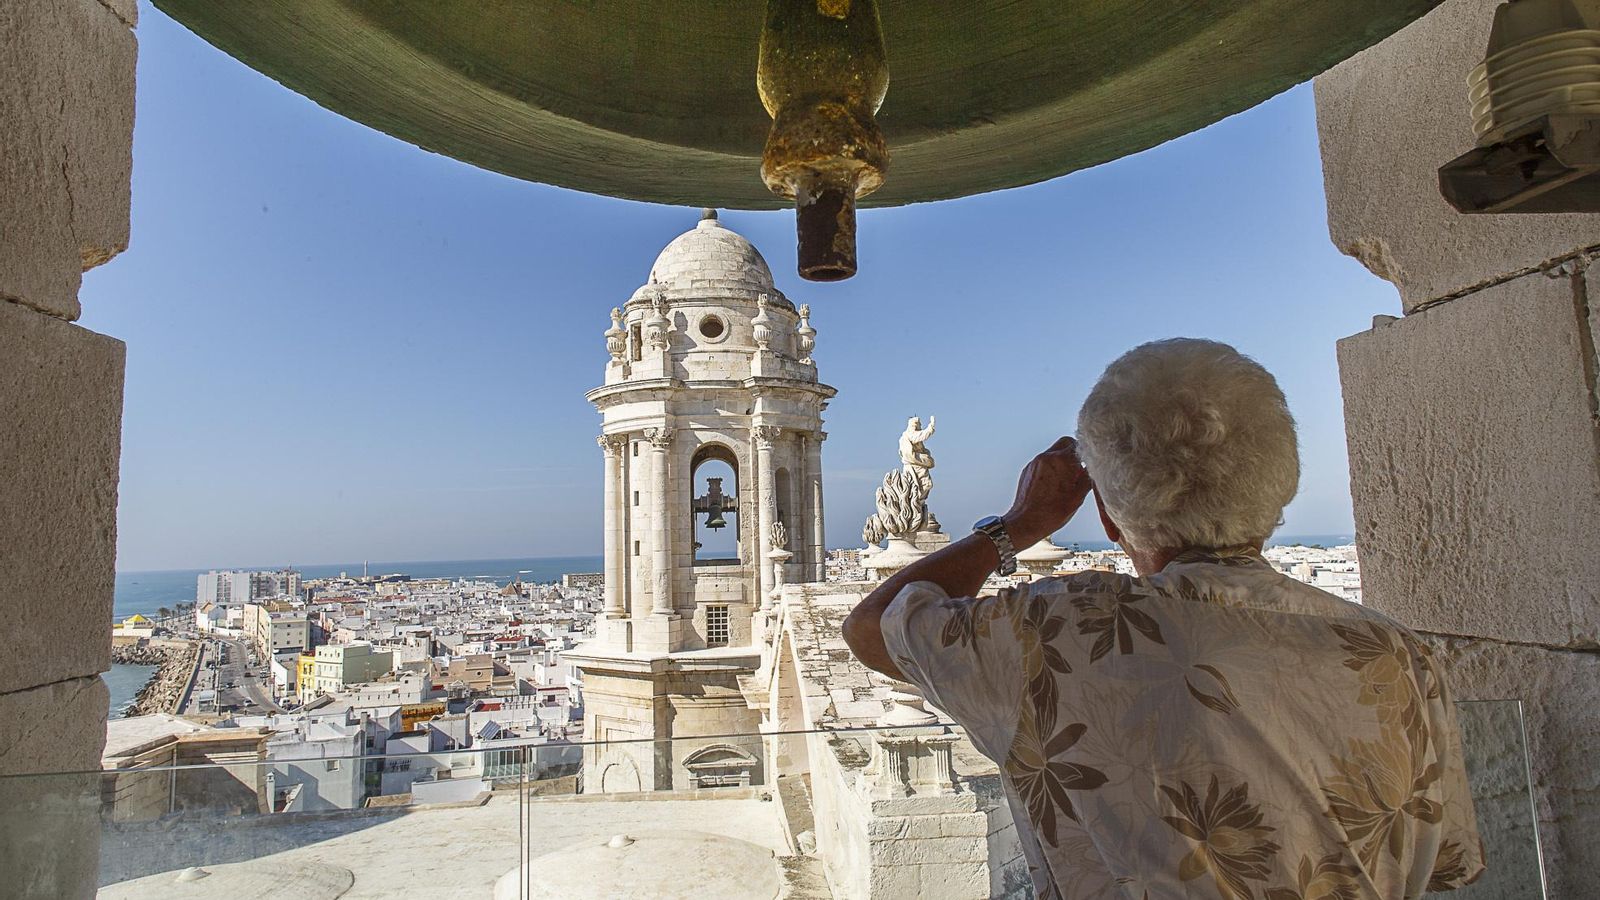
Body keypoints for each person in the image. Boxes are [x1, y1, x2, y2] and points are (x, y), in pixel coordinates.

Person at [842, 339, 1483, 899]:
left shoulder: (1057, 633)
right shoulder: (1396, 652)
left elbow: (874, 627)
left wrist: (1021, 524)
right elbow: (1446, 861)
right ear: (1282, 484)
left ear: (1109, 519)